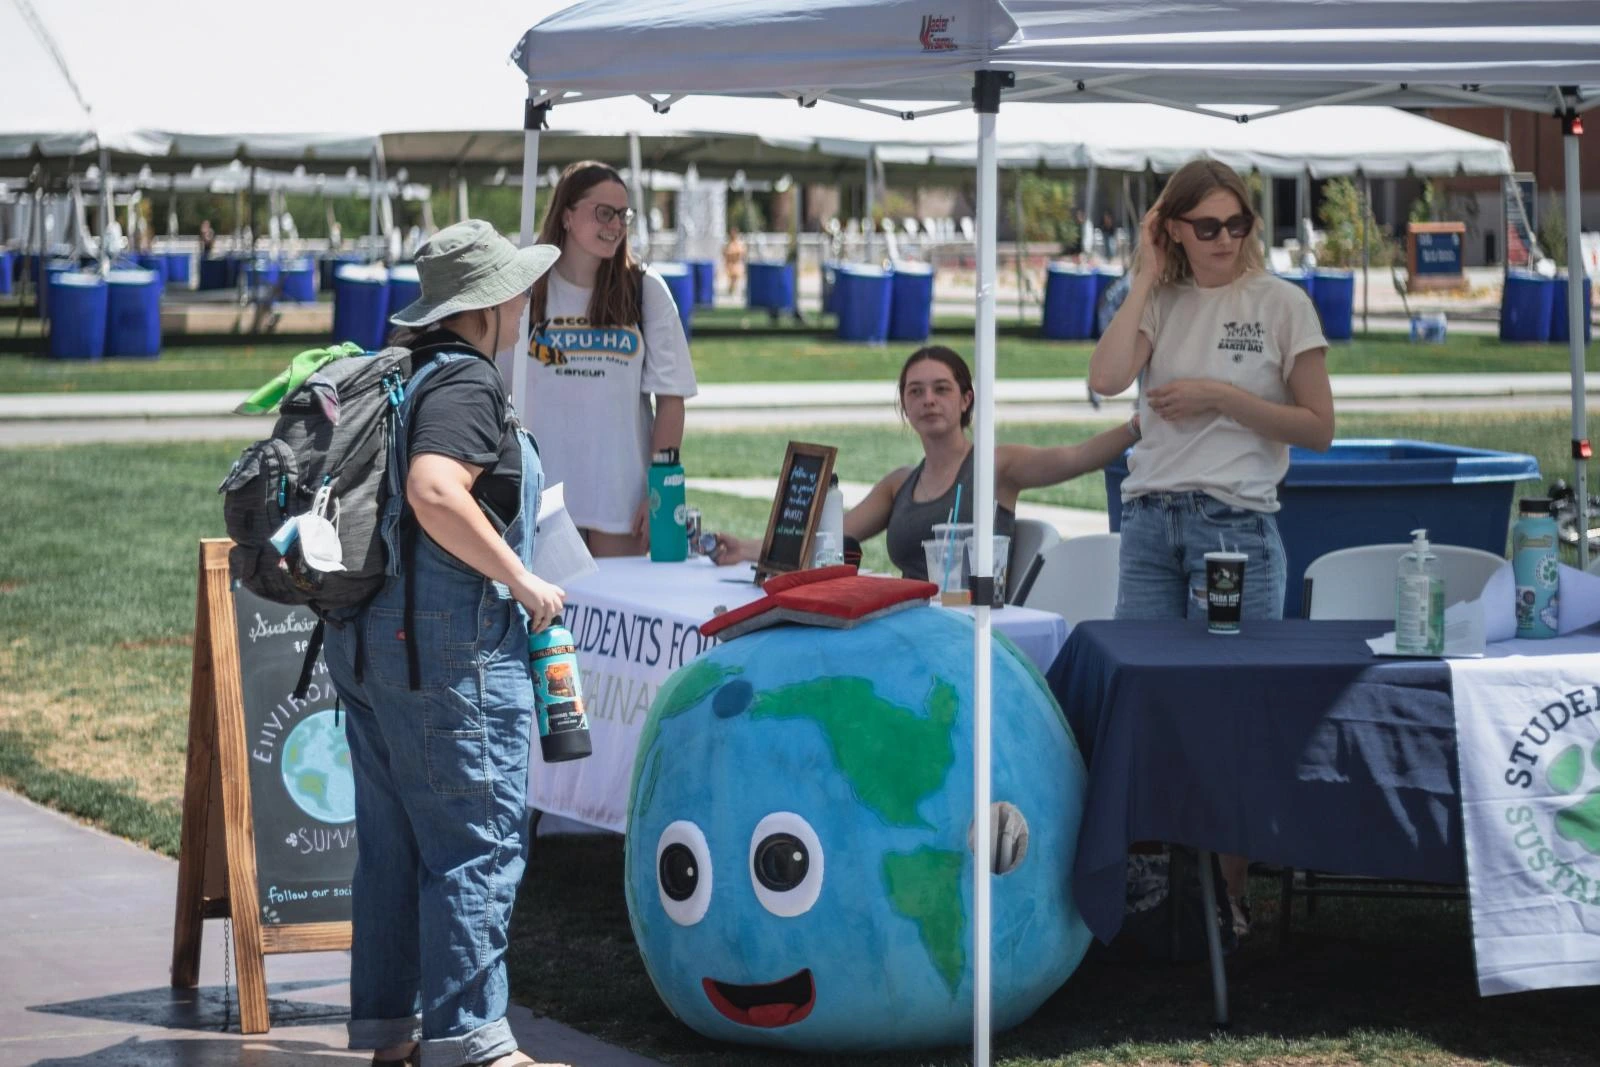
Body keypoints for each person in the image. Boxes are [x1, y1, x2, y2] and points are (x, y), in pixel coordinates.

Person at [321, 219, 567, 1067]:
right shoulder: (466, 384)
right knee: (477, 839)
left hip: (367, 645)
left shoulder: (409, 373)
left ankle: (387, 1033)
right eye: (518, 290)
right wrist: (521, 579)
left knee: (390, 848)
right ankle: (471, 1043)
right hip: (447, 658)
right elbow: (434, 490)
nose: (526, 301)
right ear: (489, 304)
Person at [1087, 158, 1334, 935]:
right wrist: (1144, 273)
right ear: (1175, 230)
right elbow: (1104, 376)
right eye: (1206, 226)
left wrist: (1222, 398)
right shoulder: (1158, 299)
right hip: (1152, 521)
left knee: (1235, 705)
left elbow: (1319, 428)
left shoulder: (1281, 303)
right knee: (1145, 699)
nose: (1224, 239)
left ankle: (1232, 900)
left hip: (1236, 526)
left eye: (1238, 223)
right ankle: (1155, 890)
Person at [712, 345, 1138, 581]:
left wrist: (1138, 427)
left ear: (966, 399)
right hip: (910, 625)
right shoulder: (899, 484)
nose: (928, 400)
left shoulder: (995, 466)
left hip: (969, 627)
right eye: (915, 392)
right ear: (904, 405)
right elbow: (824, 541)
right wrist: (746, 550)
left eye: (941, 389)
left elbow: (1077, 457)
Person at [509, 160, 698, 558]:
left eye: (623, 215)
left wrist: (659, 489)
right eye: (603, 213)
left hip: (622, 505)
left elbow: (671, 399)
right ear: (566, 215)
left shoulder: (645, 290)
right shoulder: (524, 293)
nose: (615, 225)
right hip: (543, 504)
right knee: (549, 618)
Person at [722, 226, 746, 297]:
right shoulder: (728, 243)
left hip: (736, 264)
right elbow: (725, 253)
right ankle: (731, 292)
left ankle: (734, 293)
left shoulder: (739, 243)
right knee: (731, 280)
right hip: (730, 264)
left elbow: (741, 253)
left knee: (735, 279)